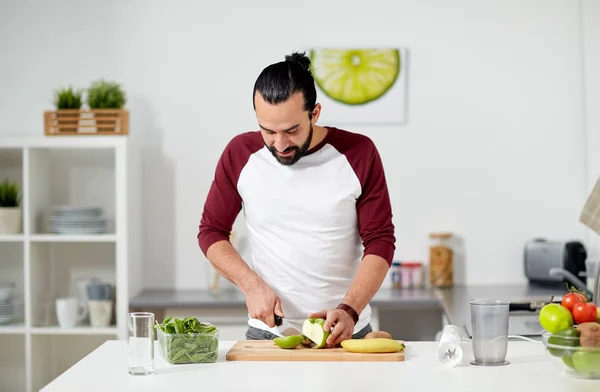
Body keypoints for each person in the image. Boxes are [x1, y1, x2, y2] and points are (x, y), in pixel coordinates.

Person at [197, 51, 396, 348]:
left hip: (346, 332)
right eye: (268, 131)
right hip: (269, 334)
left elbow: (380, 239)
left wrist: (349, 309)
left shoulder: (358, 152)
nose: (280, 144)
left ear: (314, 114)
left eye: (291, 130)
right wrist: (251, 285)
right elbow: (211, 232)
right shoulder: (239, 154)